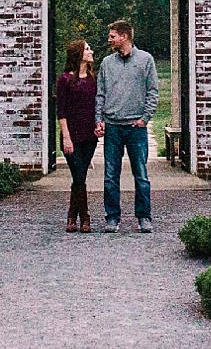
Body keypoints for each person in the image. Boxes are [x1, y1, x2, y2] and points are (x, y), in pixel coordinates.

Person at [94, 18, 158, 232]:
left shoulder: (146, 60)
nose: (109, 40)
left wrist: (145, 118)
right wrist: (98, 120)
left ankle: (144, 217)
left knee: (141, 175)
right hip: (112, 127)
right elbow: (100, 94)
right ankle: (112, 217)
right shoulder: (106, 63)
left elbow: (152, 92)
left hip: (135, 128)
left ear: (124, 36)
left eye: (112, 36)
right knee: (110, 176)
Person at [54, 38, 98, 233]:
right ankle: (84, 216)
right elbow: (61, 111)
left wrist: (100, 124)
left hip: (89, 137)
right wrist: (66, 137)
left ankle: (72, 215)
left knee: (79, 176)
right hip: (71, 136)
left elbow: (96, 106)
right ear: (79, 54)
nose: (91, 51)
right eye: (87, 49)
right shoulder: (64, 80)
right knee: (79, 176)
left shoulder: (92, 79)